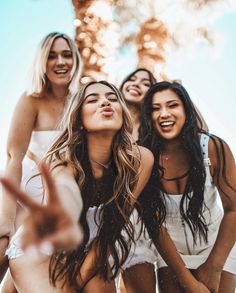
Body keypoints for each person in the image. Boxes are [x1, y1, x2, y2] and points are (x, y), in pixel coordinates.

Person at [0, 81, 211, 293]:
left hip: (93, 249)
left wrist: (77, 283)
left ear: (122, 114)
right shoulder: (60, 160)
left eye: (112, 98)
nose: (105, 102)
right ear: (79, 120)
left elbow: (111, 227)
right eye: (93, 100)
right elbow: (62, 195)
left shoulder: (140, 160)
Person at [0, 32, 82, 291]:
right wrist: (7, 215)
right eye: (52, 56)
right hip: (28, 185)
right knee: (4, 242)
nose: (60, 62)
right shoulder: (31, 99)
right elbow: (14, 157)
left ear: (75, 60)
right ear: (42, 62)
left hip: (66, 191)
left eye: (67, 55)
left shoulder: (81, 100)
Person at [137, 81, 236, 292]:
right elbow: (154, 224)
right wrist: (188, 281)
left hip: (217, 246)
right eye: (155, 108)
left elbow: (233, 209)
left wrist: (214, 267)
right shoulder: (144, 158)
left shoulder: (212, 147)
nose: (164, 113)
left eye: (172, 105)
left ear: (186, 110)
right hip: (172, 252)